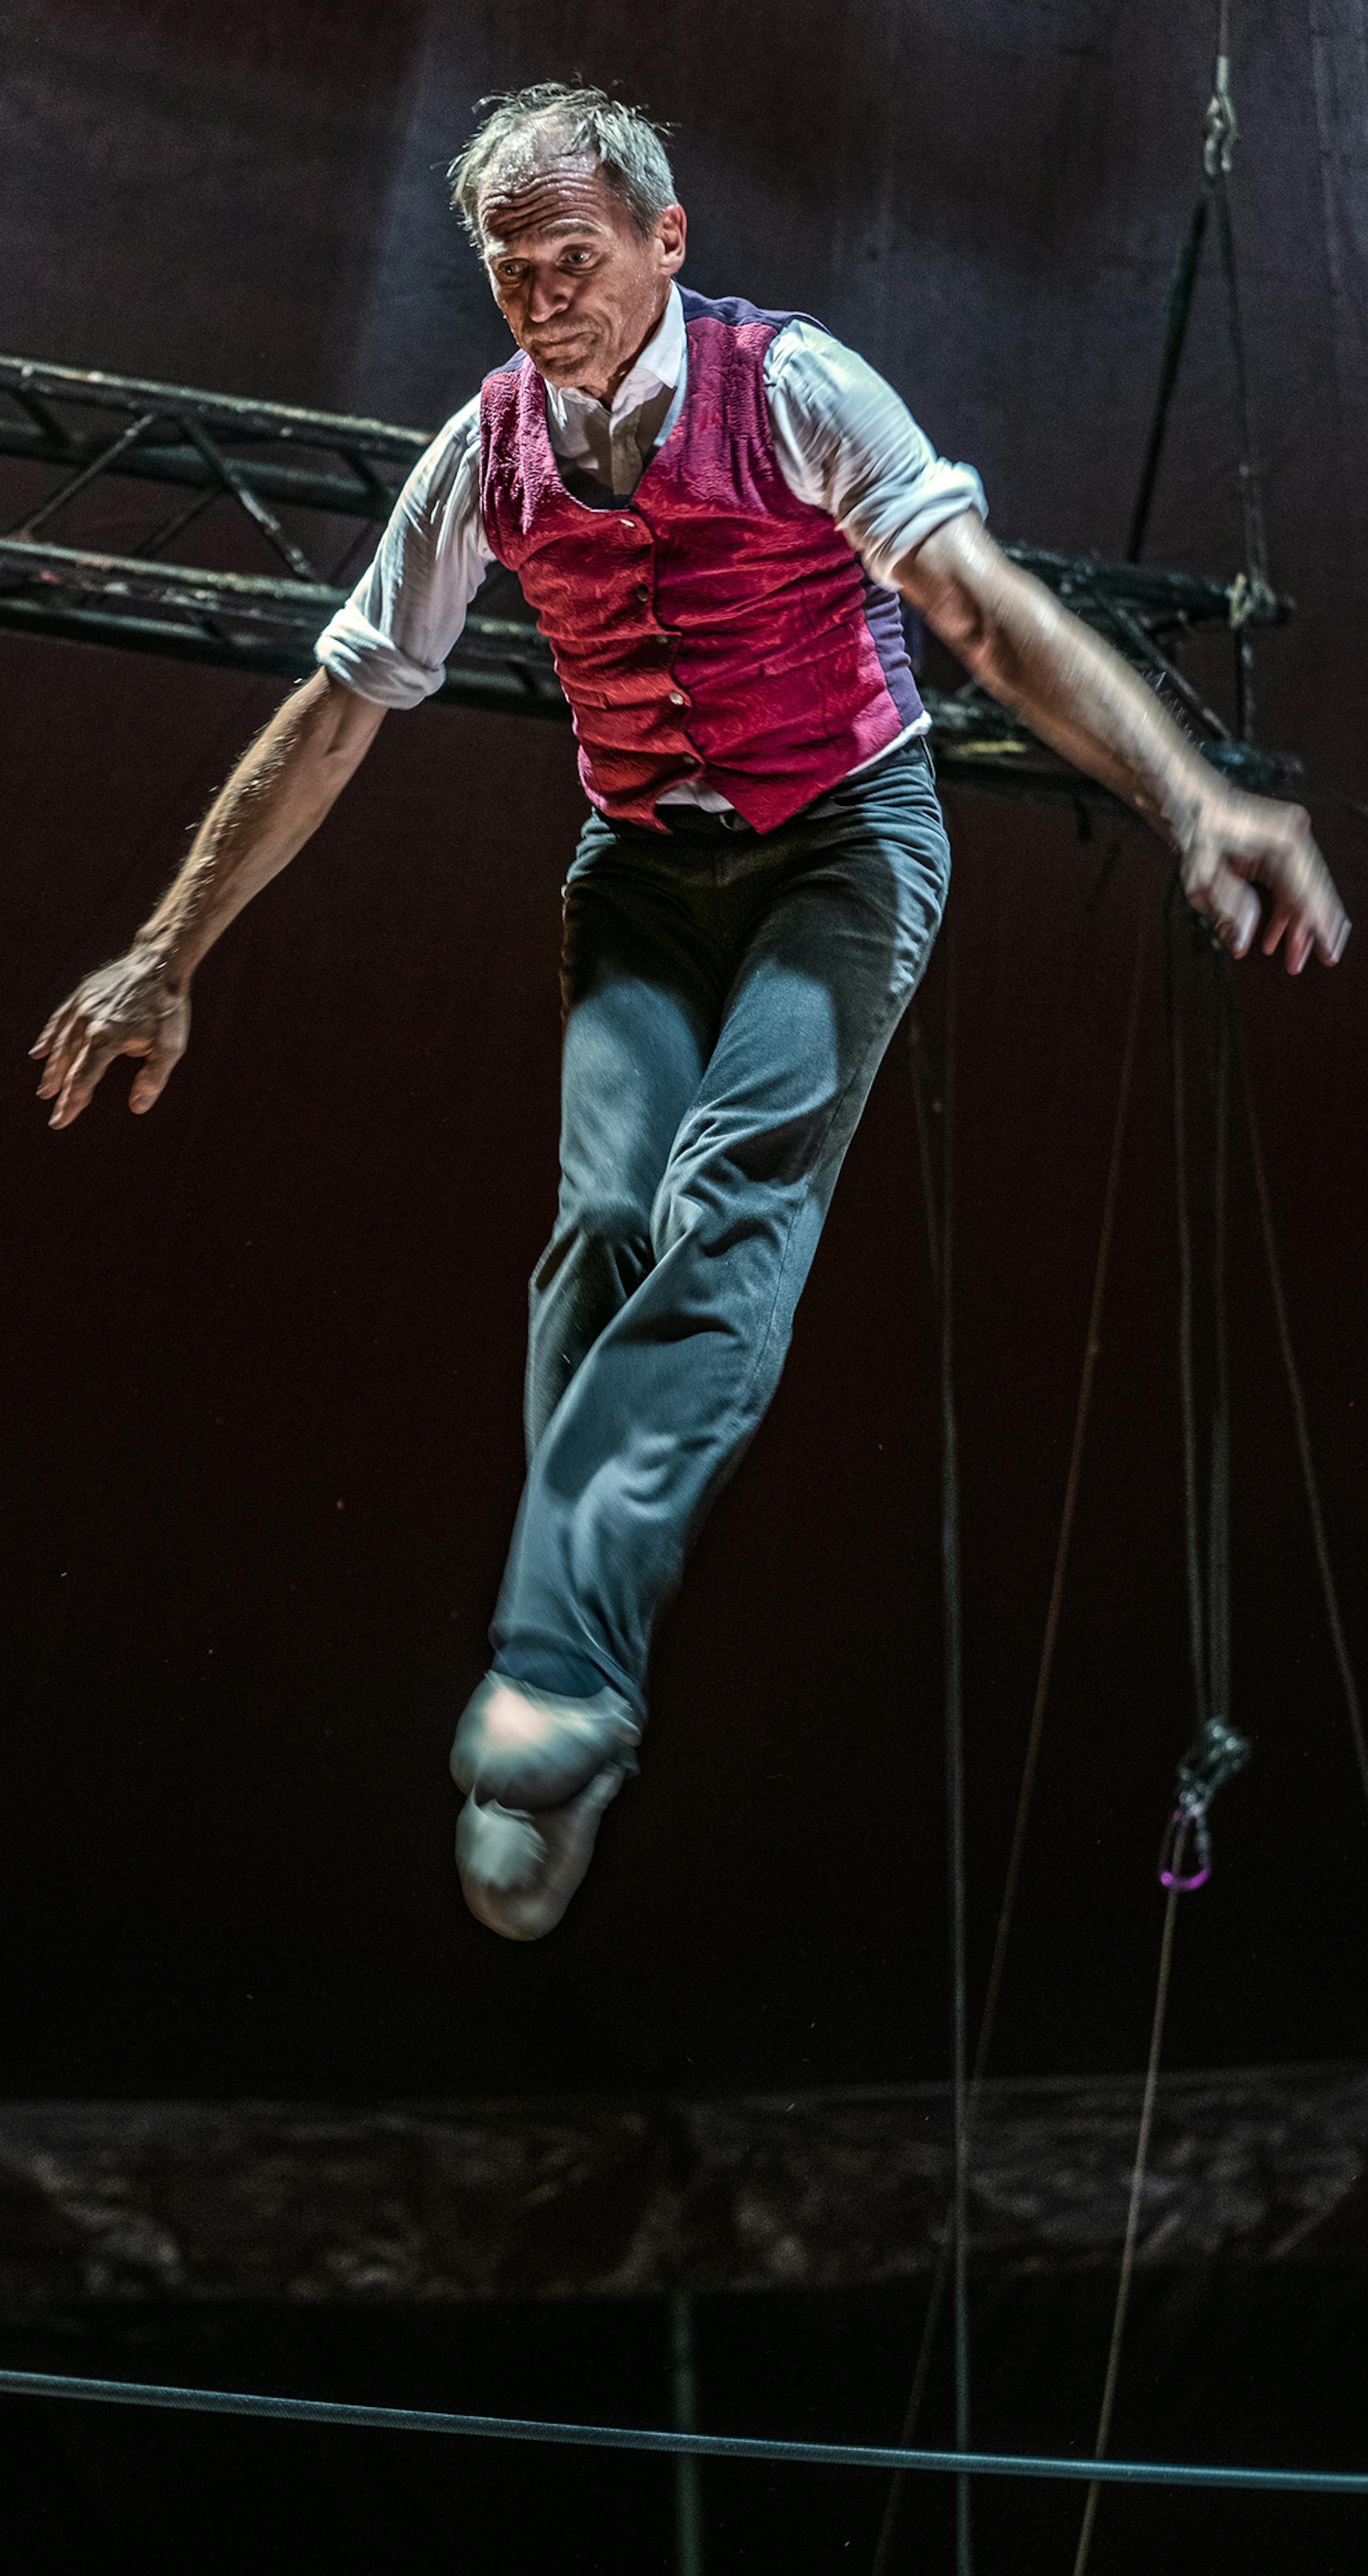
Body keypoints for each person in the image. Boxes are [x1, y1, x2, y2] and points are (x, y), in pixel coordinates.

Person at [32, 85, 1348, 1943]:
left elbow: (979, 610)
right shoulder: (483, 451)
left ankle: (557, 1678)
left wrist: (1192, 790)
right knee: (599, 1229)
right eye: (511, 275)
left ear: (665, 241)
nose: (545, 301)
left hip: (843, 846)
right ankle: (587, 1666)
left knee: (736, 1199)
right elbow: (337, 707)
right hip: (644, 865)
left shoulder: (799, 386)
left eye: (576, 260)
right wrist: (170, 947)